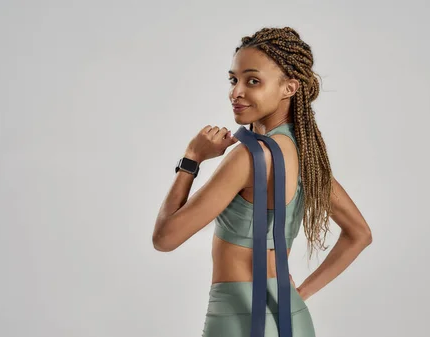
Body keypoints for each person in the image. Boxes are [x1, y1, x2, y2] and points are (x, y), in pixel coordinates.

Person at [152, 26, 373, 337]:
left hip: (238, 320)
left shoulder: (248, 158)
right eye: (234, 79)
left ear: (290, 88)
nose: (236, 91)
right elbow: (360, 234)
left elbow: (165, 238)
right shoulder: (307, 157)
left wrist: (191, 159)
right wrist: (302, 295)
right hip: (292, 318)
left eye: (252, 81)